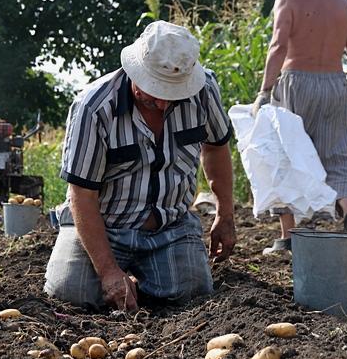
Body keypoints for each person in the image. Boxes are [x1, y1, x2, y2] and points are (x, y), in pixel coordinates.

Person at [44, 21, 237, 311]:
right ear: (137, 71)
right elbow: (82, 196)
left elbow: (216, 147)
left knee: (194, 293)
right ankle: (118, 275)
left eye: (172, 95)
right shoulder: (94, 107)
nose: (162, 104)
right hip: (105, 224)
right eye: (154, 91)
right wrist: (108, 271)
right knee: (69, 292)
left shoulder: (204, 90)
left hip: (169, 226)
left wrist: (226, 213)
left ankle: (144, 282)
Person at [253, 0, 347, 254]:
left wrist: (264, 90)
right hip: (336, 84)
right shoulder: (343, 3)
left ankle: (289, 235)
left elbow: (279, 45)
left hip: (296, 82)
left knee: (283, 153)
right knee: (340, 153)